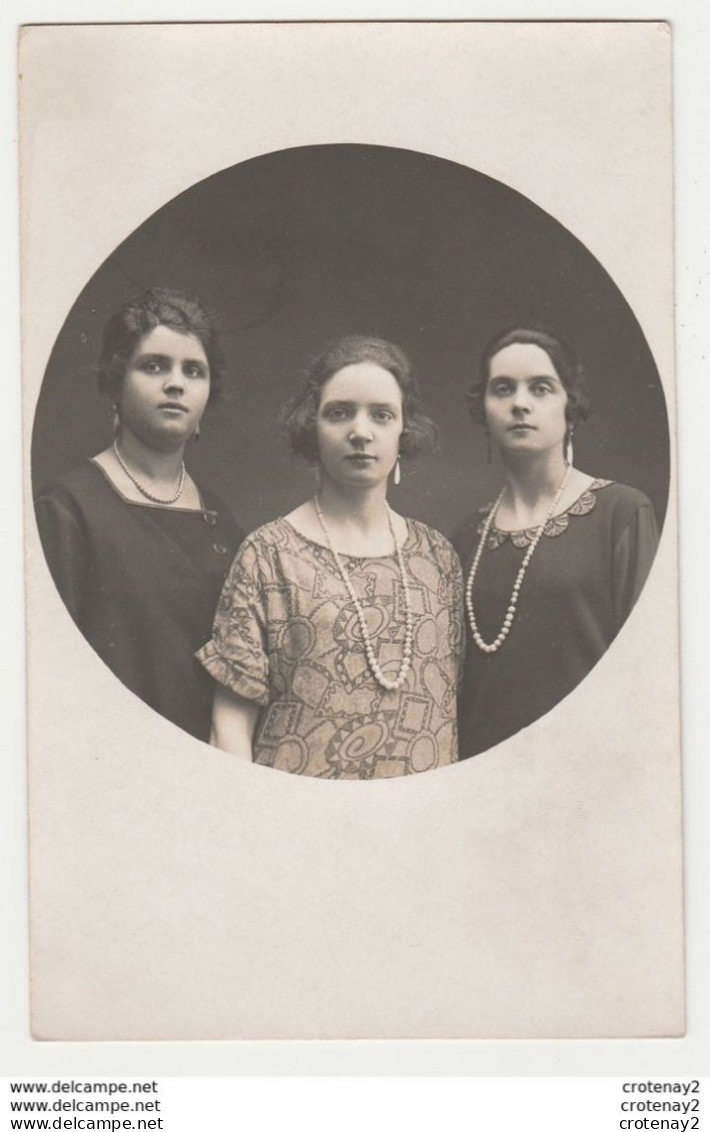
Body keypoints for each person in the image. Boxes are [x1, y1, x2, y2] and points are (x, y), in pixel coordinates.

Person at [198, 335, 464, 779]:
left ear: (404, 431)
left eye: (382, 415)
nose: (361, 432)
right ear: (311, 428)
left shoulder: (438, 558)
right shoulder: (268, 555)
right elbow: (229, 727)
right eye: (339, 413)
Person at [34, 288, 244, 741]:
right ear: (116, 382)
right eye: (154, 366)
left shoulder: (220, 518)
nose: (176, 383)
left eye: (194, 370)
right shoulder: (68, 508)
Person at [451, 326, 659, 759]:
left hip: (585, 767)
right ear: (484, 410)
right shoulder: (465, 538)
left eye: (541, 388)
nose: (520, 403)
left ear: (571, 406)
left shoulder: (621, 514)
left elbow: (648, 678)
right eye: (502, 389)